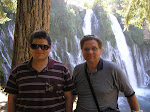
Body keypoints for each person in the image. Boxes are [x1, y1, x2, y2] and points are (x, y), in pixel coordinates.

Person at [4, 30, 74, 112]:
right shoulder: (18, 71)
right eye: (35, 46)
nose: (39, 49)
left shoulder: (62, 70)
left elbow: (69, 97)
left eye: (44, 46)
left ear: (50, 48)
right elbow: (12, 98)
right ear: (30, 47)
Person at [73, 35, 142, 112]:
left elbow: (130, 94)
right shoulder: (77, 70)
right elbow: (73, 94)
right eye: (86, 49)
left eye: (94, 49)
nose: (90, 52)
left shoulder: (113, 69)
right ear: (82, 51)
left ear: (100, 50)